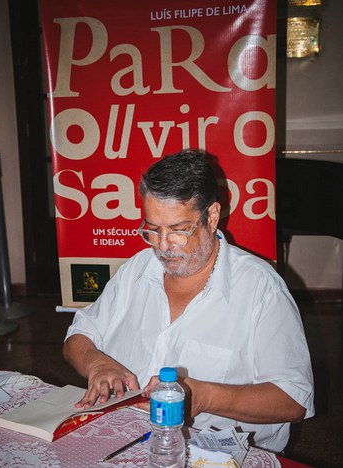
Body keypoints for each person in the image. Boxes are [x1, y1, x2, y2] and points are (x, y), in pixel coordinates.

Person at [63, 149, 314, 453]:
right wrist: (97, 364)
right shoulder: (137, 270)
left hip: (219, 455)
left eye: (179, 231)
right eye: (153, 230)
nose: (164, 246)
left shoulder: (260, 289)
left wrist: (202, 396)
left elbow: (294, 401)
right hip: (126, 440)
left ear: (211, 216)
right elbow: (77, 337)